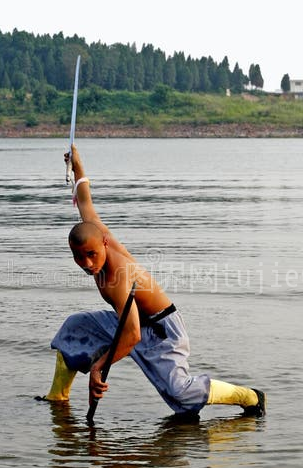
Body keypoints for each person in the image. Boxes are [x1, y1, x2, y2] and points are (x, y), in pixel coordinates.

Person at [45, 144, 266, 420]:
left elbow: (133, 336)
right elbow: (86, 201)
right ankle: (57, 397)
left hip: (160, 330)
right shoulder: (96, 233)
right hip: (129, 319)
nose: (87, 264)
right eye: (78, 257)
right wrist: (77, 164)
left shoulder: (118, 278)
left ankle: (250, 396)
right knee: (74, 327)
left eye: (91, 255)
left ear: (103, 243)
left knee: (181, 394)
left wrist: (100, 367)